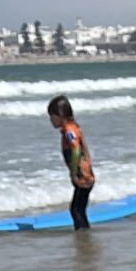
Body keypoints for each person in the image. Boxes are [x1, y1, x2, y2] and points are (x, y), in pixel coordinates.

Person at [46, 93, 95, 229]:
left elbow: (76, 149)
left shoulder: (69, 130)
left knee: (76, 210)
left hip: (82, 175)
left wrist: (74, 172)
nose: (51, 120)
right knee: (78, 209)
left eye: (52, 116)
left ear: (60, 115)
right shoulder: (73, 127)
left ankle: (83, 237)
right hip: (87, 174)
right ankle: (84, 233)